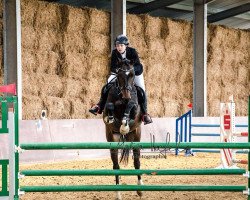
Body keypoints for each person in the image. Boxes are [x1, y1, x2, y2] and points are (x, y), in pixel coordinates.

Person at [89, 34, 152, 125]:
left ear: (126, 46)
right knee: (107, 86)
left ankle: (145, 114)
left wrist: (130, 70)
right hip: (120, 74)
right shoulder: (115, 53)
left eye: (121, 45)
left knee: (142, 90)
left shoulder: (132, 52)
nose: (119, 47)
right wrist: (120, 71)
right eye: (118, 45)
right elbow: (112, 67)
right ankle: (99, 106)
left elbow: (138, 66)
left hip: (133, 74)